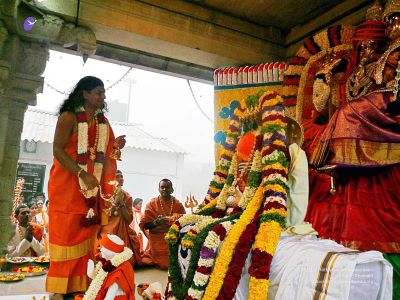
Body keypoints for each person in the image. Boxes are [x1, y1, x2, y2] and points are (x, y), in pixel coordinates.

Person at [46, 76, 126, 298]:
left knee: (87, 232)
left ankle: (81, 285)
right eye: (98, 92)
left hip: (92, 189)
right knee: (66, 233)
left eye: (103, 93)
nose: (103, 97)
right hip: (67, 185)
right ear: (85, 93)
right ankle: (60, 289)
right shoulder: (69, 117)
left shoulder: (103, 122)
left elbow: (107, 154)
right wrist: (81, 173)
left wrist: (116, 146)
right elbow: (58, 150)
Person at [100, 170, 147, 267]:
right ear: (112, 179)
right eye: (117, 176)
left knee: (127, 262)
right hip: (107, 227)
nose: (121, 178)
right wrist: (115, 202)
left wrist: (121, 204)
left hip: (122, 230)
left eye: (122, 176)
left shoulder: (128, 196)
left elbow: (129, 219)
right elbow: (105, 215)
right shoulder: (104, 194)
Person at [139, 179, 185, 269]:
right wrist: (157, 222)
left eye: (167, 187)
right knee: (163, 264)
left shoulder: (178, 204)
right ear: (159, 189)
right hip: (157, 237)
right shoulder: (151, 204)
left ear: (172, 189)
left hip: (173, 236)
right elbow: (145, 225)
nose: (164, 189)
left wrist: (174, 221)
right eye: (162, 187)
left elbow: (184, 221)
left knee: (172, 262)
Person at [85, 234, 135, 300]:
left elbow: (109, 298)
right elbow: (101, 280)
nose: (101, 249)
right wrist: (91, 274)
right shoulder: (110, 264)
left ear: (113, 253)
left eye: (103, 247)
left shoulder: (119, 273)